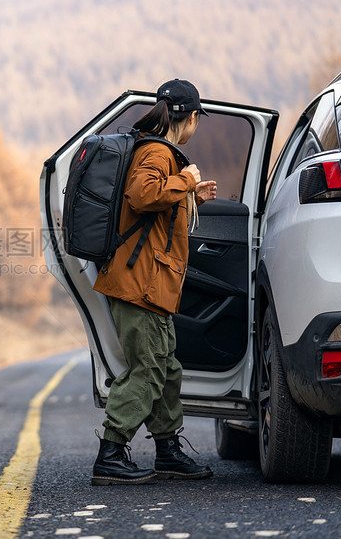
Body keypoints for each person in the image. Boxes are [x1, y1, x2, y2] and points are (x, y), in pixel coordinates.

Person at [90, 79, 218, 486]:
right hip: (139, 281)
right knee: (146, 369)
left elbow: (154, 213)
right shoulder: (157, 152)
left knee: (166, 366)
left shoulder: (159, 152)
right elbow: (142, 196)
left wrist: (191, 196)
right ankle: (110, 453)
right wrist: (186, 178)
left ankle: (168, 451)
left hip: (151, 283)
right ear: (191, 117)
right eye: (199, 118)